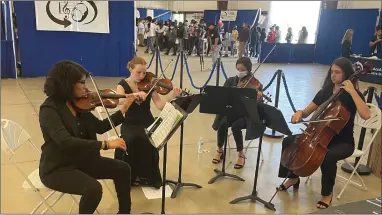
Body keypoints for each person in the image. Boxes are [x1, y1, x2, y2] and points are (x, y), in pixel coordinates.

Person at [39, 60, 136, 214]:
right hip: (58, 168)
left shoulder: (77, 104)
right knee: (93, 189)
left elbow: (100, 126)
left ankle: (124, 212)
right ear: (67, 83)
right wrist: (105, 145)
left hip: (82, 161)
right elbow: (65, 141)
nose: (86, 87)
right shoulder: (49, 109)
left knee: (123, 169)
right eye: (82, 82)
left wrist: (124, 108)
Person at [277, 57, 370, 209]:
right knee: (289, 141)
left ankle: (327, 194)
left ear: (346, 74)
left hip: (343, 142)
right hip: (319, 136)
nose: (333, 75)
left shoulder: (352, 95)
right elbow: (307, 112)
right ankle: (293, 178)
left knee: (328, 156)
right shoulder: (326, 91)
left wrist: (352, 91)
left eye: (337, 72)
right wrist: (299, 113)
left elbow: (366, 115)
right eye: (332, 71)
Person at [114, 56, 182, 188]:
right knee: (131, 139)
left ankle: (147, 176)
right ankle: (132, 175)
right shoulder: (122, 84)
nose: (142, 76)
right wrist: (134, 96)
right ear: (130, 69)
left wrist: (172, 95)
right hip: (130, 122)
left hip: (147, 121)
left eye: (144, 73)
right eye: (138, 72)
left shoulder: (149, 84)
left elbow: (160, 105)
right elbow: (119, 101)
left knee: (149, 141)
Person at [212, 57, 265, 169]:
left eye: (243, 70)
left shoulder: (255, 83)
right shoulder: (231, 81)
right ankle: (220, 149)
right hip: (233, 112)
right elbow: (222, 97)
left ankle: (241, 154)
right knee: (222, 124)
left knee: (236, 127)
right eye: (238, 69)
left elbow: (258, 105)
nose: (240, 72)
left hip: (247, 115)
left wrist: (259, 97)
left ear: (249, 70)